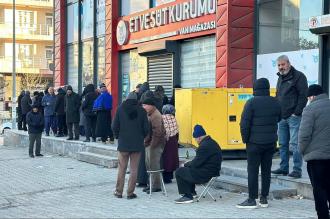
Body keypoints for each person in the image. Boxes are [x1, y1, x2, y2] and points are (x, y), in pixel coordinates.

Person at [236, 78, 281, 209]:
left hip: (254, 143)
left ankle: (251, 199)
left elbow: (244, 124)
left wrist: (246, 139)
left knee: (253, 171)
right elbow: (279, 118)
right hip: (270, 143)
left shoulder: (251, 103)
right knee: (266, 171)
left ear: (255, 88)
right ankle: (264, 199)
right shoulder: (275, 102)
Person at [272, 55, 308, 179]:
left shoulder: (299, 76)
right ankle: (284, 168)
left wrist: (296, 112)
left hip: (294, 117)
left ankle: (297, 170)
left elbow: (303, 96)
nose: (281, 67)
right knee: (282, 144)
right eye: (279, 65)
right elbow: (278, 96)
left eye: (283, 64)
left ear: (288, 63)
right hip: (281, 117)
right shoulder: (280, 78)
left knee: (294, 144)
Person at [298, 85, 330, 219]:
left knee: (319, 190)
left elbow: (304, 135)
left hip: (316, 159)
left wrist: (302, 151)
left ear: (311, 96)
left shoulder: (310, 109)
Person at [112, 92, 149, 199]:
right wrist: (142, 136)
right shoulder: (142, 111)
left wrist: (117, 136)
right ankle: (130, 193)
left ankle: (118, 192)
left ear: (126, 99)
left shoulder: (120, 109)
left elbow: (114, 126)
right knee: (134, 170)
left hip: (123, 144)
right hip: (137, 145)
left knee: (121, 169)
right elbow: (146, 128)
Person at [174, 125, 222, 204]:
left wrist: (185, 164)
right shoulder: (212, 142)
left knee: (180, 171)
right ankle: (192, 192)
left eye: (195, 139)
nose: (196, 141)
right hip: (213, 171)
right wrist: (189, 164)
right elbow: (199, 161)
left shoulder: (204, 146)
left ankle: (187, 196)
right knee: (188, 169)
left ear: (199, 137)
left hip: (206, 174)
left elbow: (196, 163)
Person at [142, 95, 166, 194]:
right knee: (149, 165)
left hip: (155, 144)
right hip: (149, 143)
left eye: (145, 105)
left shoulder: (156, 115)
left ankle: (156, 186)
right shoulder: (149, 113)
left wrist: (152, 145)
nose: (143, 107)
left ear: (151, 105)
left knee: (154, 165)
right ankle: (150, 184)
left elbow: (158, 132)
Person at [161, 104, 179, 183]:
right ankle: (169, 177)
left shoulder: (162, 117)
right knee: (171, 159)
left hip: (165, 140)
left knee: (165, 159)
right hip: (173, 140)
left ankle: (164, 178)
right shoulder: (173, 118)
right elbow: (177, 130)